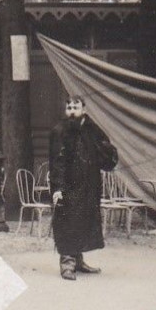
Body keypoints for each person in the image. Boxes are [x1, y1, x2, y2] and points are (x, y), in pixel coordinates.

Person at [49, 96, 118, 281]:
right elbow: (57, 163)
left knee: (84, 222)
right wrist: (57, 188)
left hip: (88, 186)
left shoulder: (91, 130)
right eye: (69, 107)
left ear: (84, 110)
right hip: (68, 187)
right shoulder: (59, 131)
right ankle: (67, 265)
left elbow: (106, 152)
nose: (72, 110)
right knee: (68, 223)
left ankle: (78, 261)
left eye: (76, 107)